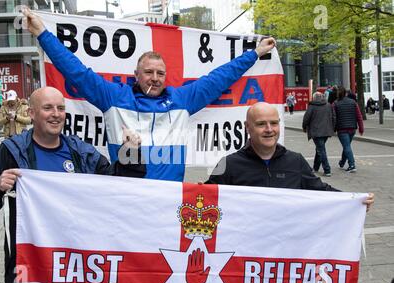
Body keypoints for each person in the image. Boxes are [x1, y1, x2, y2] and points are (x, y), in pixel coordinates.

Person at [22, 7, 276, 182]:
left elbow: (219, 78)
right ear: (136, 74)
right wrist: (42, 34)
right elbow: (75, 71)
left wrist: (254, 53)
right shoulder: (113, 97)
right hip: (127, 195)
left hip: (169, 198)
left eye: (160, 73)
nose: (155, 78)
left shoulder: (182, 99)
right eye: (149, 72)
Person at [0, 86, 145, 283]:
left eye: (61, 108)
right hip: (31, 264)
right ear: (31, 113)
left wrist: (131, 152)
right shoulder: (12, 151)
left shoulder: (80, 152)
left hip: (76, 263)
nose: (56, 114)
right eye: (48, 108)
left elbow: (116, 186)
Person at [205, 103, 374, 211]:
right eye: (261, 124)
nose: (269, 129)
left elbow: (321, 191)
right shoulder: (228, 164)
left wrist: (354, 201)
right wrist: (197, 192)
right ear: (247, 128)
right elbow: (207, 199)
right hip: (245, 256)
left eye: (274, 123)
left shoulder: (296, 161)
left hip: (284, 257)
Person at [302, 92, 336, 177]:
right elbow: (334, 117)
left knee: (321, 150)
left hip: (316, 132)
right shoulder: (328, 105)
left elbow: (306, 118)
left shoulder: (312, 106)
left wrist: (304, 127)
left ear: (314, 98)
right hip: (326, 131)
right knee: (320, 149)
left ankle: (327, 170)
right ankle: (315, 167)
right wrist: (333, 128)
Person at [334, 86, 364, 173]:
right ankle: (342, 162)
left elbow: (333, 118)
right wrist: (361, 128)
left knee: (346, 146)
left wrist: (333, 128)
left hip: (342, 129)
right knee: (347, 146)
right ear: (346, 93)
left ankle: (352, 165)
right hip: (352, 128)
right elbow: (359, 116)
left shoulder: (335, 104)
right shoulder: (353, 102)